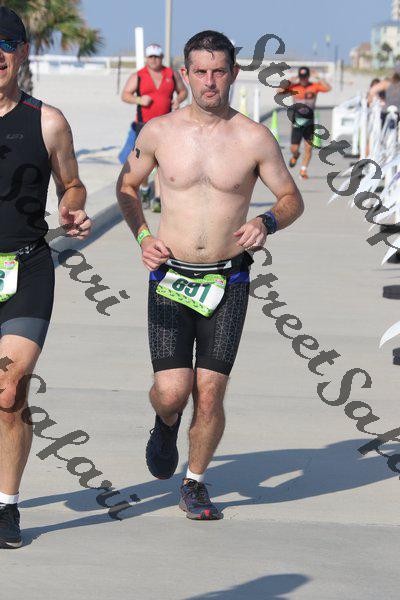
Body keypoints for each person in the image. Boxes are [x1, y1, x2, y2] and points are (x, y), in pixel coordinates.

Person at [117, 30, 304, 520]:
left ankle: (195, 482)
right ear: (184, 74)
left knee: (210, 391)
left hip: (228, 280)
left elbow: (291, 198)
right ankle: (165, 423)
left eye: (219, 71)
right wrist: (143, 237)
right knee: (172, 392)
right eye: (200, 71)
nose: (209, 81)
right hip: (170, 277)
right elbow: (127, 186)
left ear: (234, 74)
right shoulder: (158, 132)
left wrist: (266, 222)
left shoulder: (254, 137)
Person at [0, 7, 91, 549]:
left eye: (5, 44)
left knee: (9, 390)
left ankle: (6, 506)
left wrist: (73, 206)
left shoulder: (47, 121)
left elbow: (71, 182)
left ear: (22, 52)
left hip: (25, 267)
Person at [120, 43, 188, 212]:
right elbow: (125, 95)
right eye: (151, 57)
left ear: (161, 57)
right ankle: (145, 190)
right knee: (144, 163)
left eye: (157, 57)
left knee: (161, 162)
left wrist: (178, 100)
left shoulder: (170, 74)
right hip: (143, 125)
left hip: (166, 125)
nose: (154, 60)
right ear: (146, 58)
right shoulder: (138, 76)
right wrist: (139, 100)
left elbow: (183, 91)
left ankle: (157, 198)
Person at [278, 66, 331, 179]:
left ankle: (303, 170)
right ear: (299, 77)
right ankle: (295, 155)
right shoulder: (294, 87)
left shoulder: (314, 86)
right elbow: (279, 91)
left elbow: (328, 88)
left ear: (308, 77)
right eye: (301, 77)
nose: (303, 80)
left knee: (308, 147)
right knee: (294, 148)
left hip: (309, 119)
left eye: (305, 77)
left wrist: (319, 77)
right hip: (297, 119)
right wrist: (289, 81)